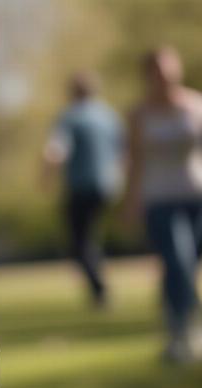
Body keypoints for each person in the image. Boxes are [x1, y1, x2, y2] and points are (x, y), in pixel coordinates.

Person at [124, 46, 202, 362]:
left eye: (168, 67)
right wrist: (130, 201)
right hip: (159, 199)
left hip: (196, 196)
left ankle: (176, 332)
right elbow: (135, 161)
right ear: (148, 74)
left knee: (183, 268)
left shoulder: (196, 105)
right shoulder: (138, 114)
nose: (164, 74)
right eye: (156, 69)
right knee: (178, 262)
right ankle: (185, 333)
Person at [42, 72, 124, 306]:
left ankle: (100, 290)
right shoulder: (110, 117)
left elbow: (57, 150)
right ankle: (99, 287)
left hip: (81, 187)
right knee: (90, 238)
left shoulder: (70, 117)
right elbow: (124, 153)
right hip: (108, 186)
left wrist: (46, 176)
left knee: (79, 242)